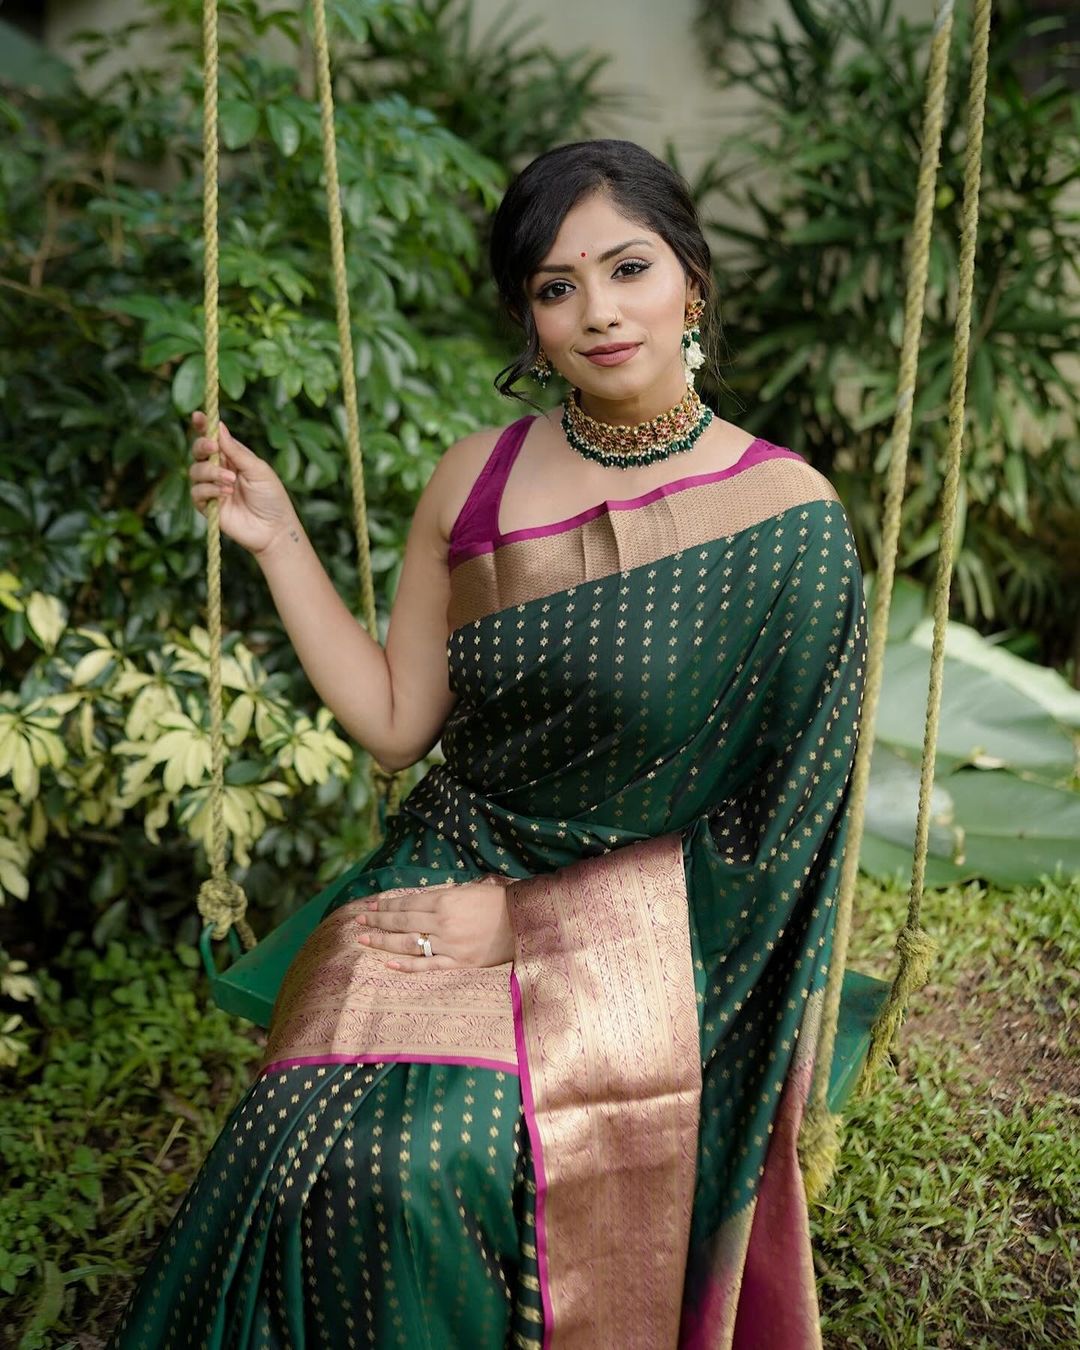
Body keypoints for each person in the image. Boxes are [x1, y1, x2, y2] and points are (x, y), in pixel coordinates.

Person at [108, 138, 866, 1349]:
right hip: (436, 876)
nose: (599, 312)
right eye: (557, 287)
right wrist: (278, 543)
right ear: (527, 315)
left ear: (693, 284)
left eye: (629, 269)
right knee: (295, 1144)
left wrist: (532, 925)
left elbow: (780, 828)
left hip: (640, 939)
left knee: (415, 1169)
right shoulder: (476, 479)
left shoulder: (787, 521)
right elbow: (402, 725)